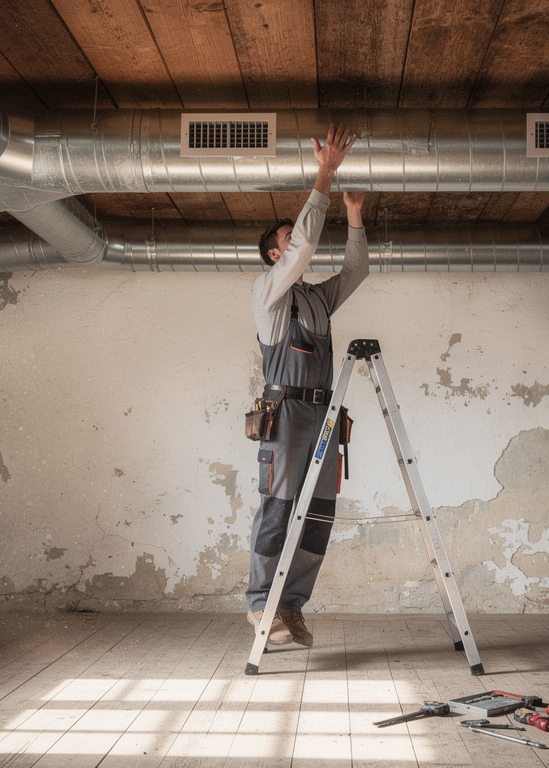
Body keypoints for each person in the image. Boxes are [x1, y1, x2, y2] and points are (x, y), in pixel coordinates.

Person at [247, 124, 368, 647]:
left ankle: (290, 605)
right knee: (278, 509)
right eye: (287, 240)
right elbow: (305, 244)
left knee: (318, 516)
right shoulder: (268, 293)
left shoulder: (317, 298)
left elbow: (356, 271)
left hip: (324, 416)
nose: (295, 244)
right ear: (276, 256)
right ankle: (261, 604)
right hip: (287, 416)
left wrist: (355, 215)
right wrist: (326, 174)